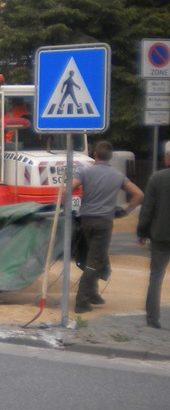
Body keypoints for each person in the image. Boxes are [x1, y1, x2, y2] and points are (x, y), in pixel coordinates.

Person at [71, 140, 142, 313]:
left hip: (86, 220)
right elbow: (139, 194)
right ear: (110, 157)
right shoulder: (117, 176)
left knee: (95, 257)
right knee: (95, 260)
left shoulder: (85, 172)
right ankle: (81, 301)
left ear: (94, 155)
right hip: (104, 221)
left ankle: (93, 293)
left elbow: (67, 188)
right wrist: (125, 211)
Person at [137, 140, 170, 329]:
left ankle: (152, 319)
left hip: (160, 235)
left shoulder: (157, 179)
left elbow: (147, 209)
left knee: (156, 276)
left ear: (167, 157)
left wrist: (142, 231)